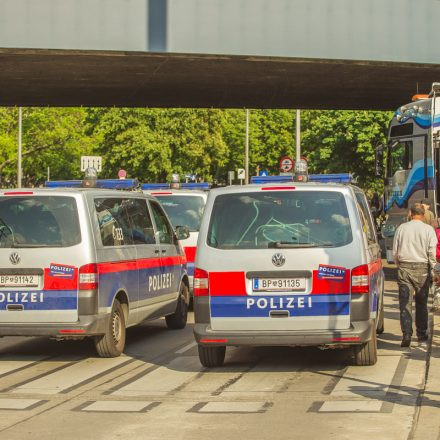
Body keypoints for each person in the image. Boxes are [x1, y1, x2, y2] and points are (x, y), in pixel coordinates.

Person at [393, 203, 437, 347]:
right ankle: (422, 334)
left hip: (404, 268)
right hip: (422, 269)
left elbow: (395, 252)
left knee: (405, 303)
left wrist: (399, 265)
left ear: (410, 213)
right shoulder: (428, 229)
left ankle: (406, 334)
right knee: (421, 303)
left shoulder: (401, 228)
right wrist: (434, 270)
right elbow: (431, 253)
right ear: (423, 215)